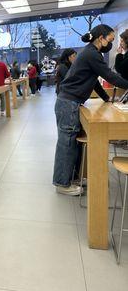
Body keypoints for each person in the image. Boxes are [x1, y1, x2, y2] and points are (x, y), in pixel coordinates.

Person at [53, 24, 128, 196]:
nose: (111, 43)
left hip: (69, 102)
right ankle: (62, 184)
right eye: (109, 39)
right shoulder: (92, 54)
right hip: (68, 103)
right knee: (67, 144)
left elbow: (93, 80)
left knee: (70, 143)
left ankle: (70, 178)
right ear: (100, 38)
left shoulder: (89, 53)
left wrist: (106, 98)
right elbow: (110, 76)